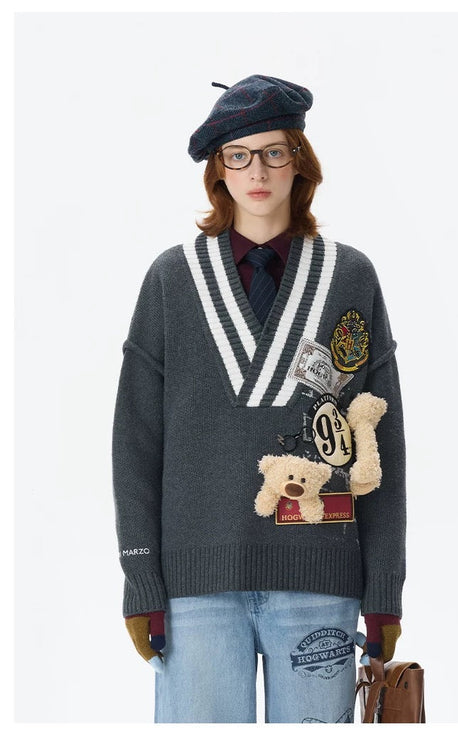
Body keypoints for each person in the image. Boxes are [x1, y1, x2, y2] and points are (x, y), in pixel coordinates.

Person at [112, 74, 406, 724]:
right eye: (239, 154)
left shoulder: (349, 276)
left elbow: (380, 442)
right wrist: (141, 579)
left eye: (274, 151)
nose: (258, 170)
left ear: (299, 161)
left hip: (320, 579)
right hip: (194, 589)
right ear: (218, 168)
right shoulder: (171, 279)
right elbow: (135, 443)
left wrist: (384, 587)